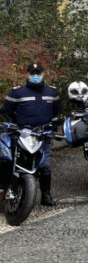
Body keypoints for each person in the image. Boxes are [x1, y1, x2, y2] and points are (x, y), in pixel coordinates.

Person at [1, 61, 60, 206]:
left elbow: (56, 112)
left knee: (45, 165)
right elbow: (6, 112)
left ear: (43, 74)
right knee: (16, 162)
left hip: (44, 135)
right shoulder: (17, 92)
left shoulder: (52, 92)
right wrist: (15, 125)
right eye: (32, 74)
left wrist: (52, 126)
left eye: (38, 73)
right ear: (27, 75)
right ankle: (11, 190)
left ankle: (46, 195)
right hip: (23, 134)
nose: (35, 76)